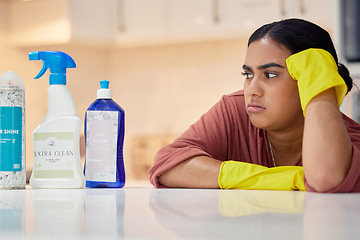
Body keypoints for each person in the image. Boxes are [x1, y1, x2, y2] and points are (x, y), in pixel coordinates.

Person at [149, 18, 360, 193]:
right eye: (248, 74)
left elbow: (324, 177)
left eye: (270, 74)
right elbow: (168, 164)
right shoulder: (235, 110)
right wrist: (283, 179)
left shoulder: (350, 138)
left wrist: (322, 86)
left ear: (308, 78)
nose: (252, 90)